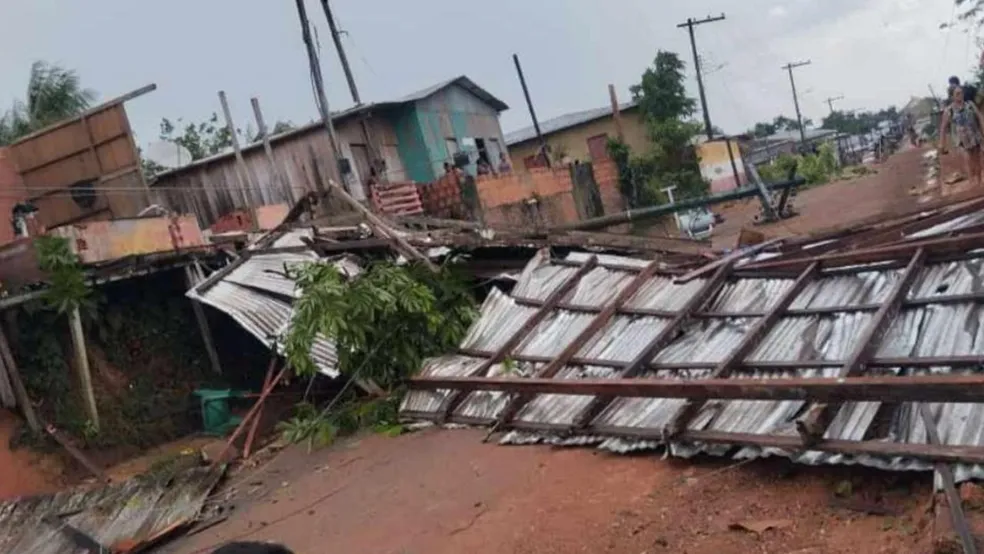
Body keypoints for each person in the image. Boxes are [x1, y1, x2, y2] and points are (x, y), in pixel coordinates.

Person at [940, 85, 984, 187]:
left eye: (961, 93)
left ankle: (979, 181)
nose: (961, 95)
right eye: (957, 94)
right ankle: (972, 182)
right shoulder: (949, 111)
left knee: (977, 160)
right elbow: (943, 128)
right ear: (952, 96)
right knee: (968, 160)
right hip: (961, 141)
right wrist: (942, 144)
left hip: (974, 137)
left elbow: (979, 117)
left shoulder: (970, 105)